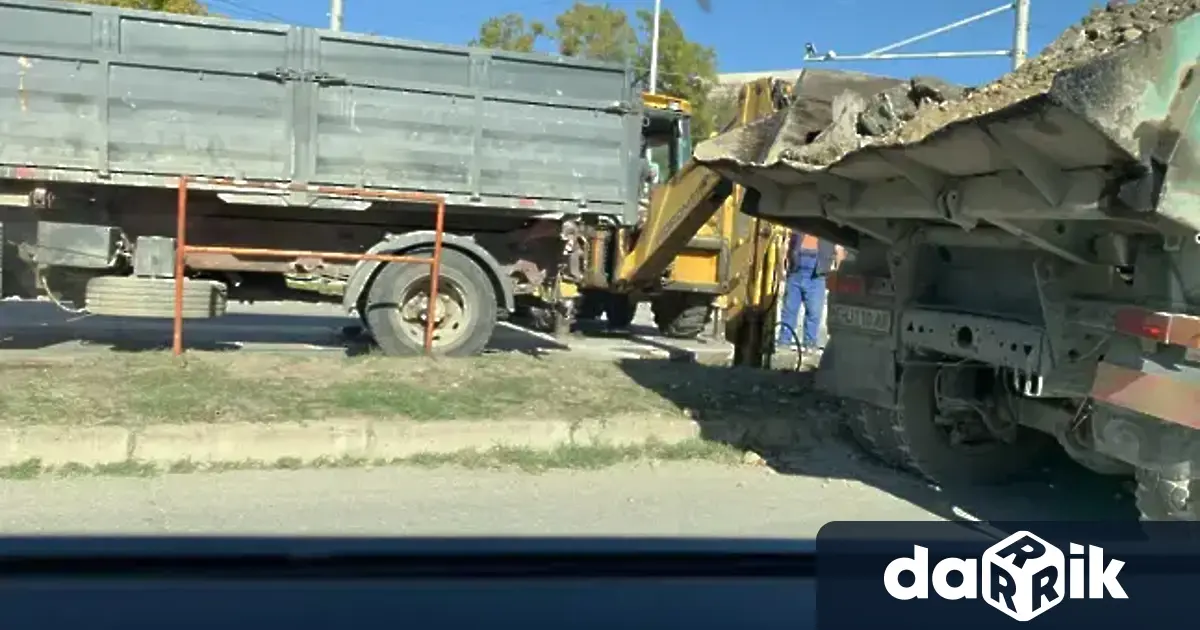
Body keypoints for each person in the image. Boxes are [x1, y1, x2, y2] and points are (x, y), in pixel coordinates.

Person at [777, 230, 842, 354]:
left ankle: (810, 345)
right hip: (796, 273)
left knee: (814, 313)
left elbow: (839, 250)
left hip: (817, 277)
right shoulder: (798, 229)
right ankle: (783, 343)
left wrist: (837, 273)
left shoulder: (829, 233)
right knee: (789, 310)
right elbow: (785, 246)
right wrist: (782, 268)